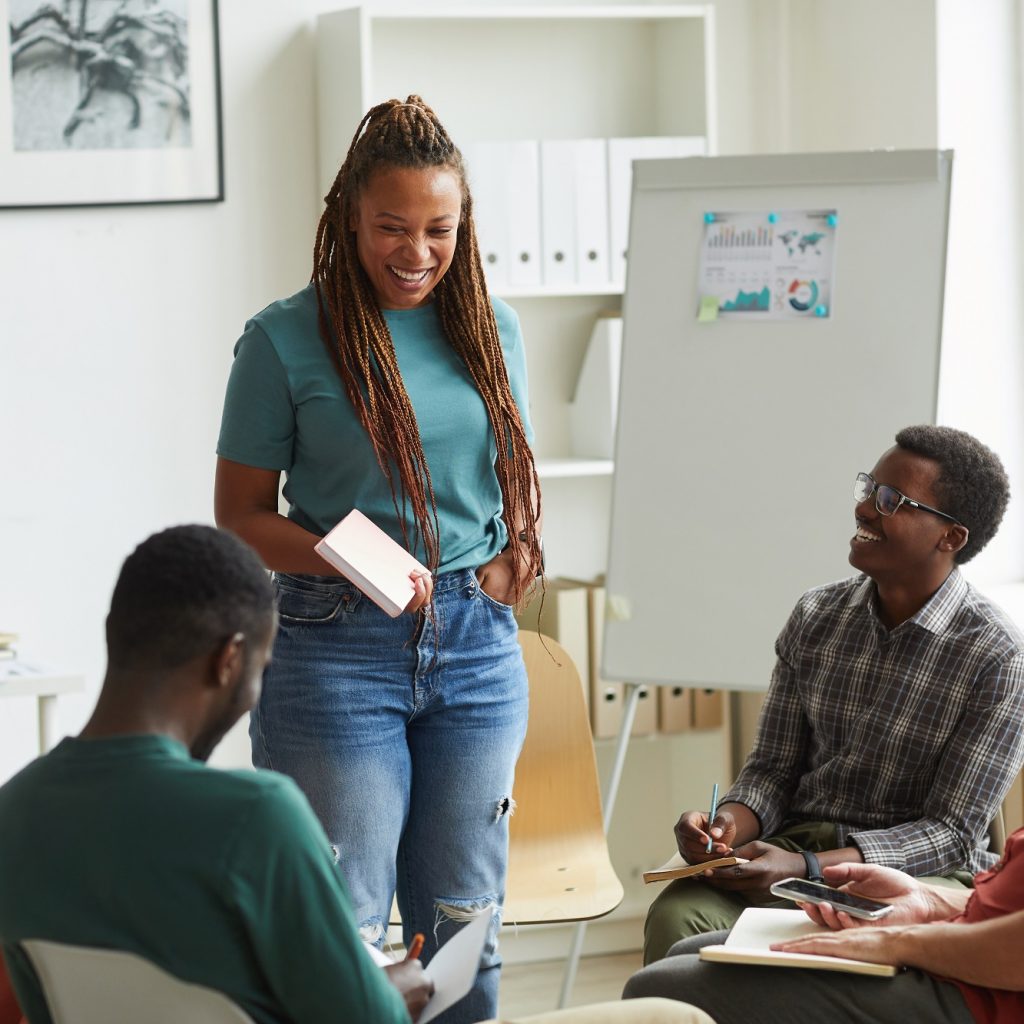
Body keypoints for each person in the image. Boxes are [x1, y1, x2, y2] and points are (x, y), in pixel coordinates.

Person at [214, 95, 544, 1023]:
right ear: (347, 220)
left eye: (439, 229)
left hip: (476, 644)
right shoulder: (281, 339)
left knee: (465, 921)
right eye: (391, 228)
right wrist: (341, 555)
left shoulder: (493, 327)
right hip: (332, 647)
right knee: (344, 929)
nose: (416, 252)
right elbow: (239, 517)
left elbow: (513, 464)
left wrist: (519, 549)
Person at [0, 525, 432, 1024]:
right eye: (260, 667)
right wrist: (390, 994)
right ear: (228, 660)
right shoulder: (258, 817)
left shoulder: (13, 811)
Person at [643, 425, 1024, 964]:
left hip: (915, 874)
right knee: (678, 917)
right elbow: (772, 769)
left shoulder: (998, 656)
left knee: (830, 959)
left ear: (951, 538)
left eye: (891, 500)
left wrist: (811, 870)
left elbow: (952, 833)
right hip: (798, 847)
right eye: (869, 488)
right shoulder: (816, 616)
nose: (865, 509)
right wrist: (727, 825)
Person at [623, 827, 1024, 1023]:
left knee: (660, 990)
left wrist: (898, 941)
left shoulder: (999, 665)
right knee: (682, 953)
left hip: (988, 993)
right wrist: (931, 901)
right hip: (972, 936)